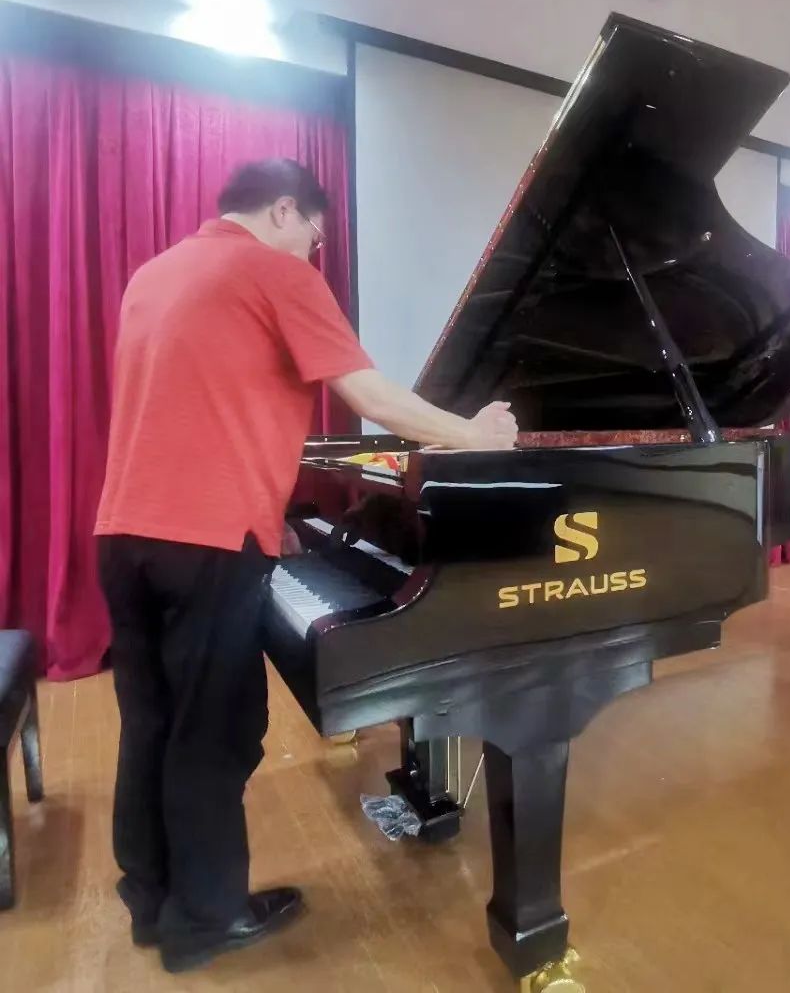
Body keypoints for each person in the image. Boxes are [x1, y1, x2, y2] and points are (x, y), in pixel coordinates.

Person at [94, 158, 517, 974]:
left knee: (150, 722)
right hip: (206, 542)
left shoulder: (155, 274)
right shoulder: (273, 269)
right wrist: (475, 435)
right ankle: (205, 919)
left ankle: (150, 898)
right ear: (285, 210)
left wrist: (267, 519)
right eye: (316, 236)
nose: (314, 251)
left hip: (124, 534)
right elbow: (373, 398)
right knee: (215, 731)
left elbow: (201, 409)